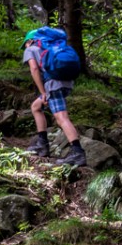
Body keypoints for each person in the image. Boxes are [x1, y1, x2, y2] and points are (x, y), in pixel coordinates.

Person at [23, 30, 86, 167]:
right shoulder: (52, 47)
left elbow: (34, 69)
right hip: (66, 83)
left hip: (53, 84)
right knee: (36, 107)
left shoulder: (31, 49)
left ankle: (77, 152)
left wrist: (42, 91)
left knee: (61, 118)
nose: (25, 47)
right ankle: (42, 144)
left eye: (25, 44)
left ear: (30, 41)